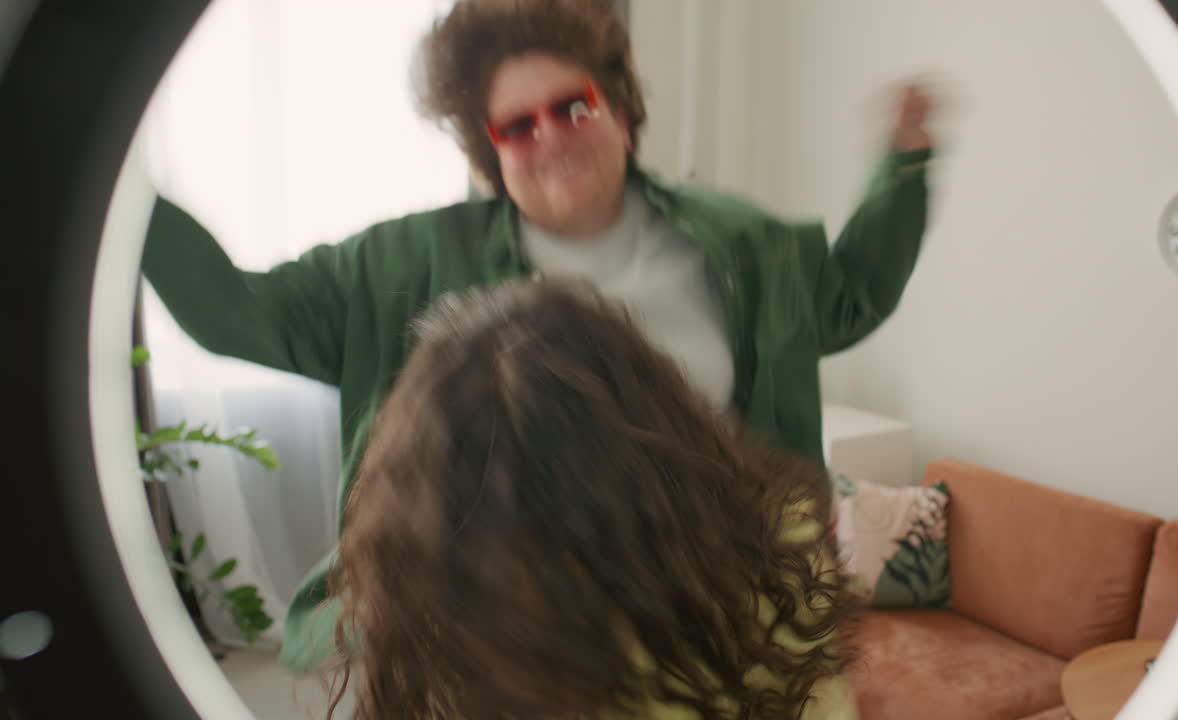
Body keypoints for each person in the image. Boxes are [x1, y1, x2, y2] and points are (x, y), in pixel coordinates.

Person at [140, 0, 932, 671]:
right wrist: (123, 200)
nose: (549, 136)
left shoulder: (743, 247)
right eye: (516, 125)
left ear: (620, 112)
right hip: (507, 642)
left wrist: (900, 175)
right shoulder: (404, 266)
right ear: (491, 152)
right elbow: (234, 313)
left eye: (572, 105)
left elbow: (843, 303)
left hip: (709, 609)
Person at [325, 279, 862, 720]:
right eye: (500, 568)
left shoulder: (772, 552)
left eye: (571, 555)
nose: (534, 590)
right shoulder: (434, 607)